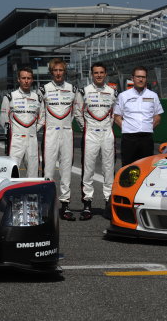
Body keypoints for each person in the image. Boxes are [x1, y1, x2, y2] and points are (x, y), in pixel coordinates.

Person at [75, 63, 117, 220]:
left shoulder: (112, 92)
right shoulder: (84, 91)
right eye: (96, 73)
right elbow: (77, 112)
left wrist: (108, 126)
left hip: (107, 133)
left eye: (101, 72)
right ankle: (87, 204)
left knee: (108, 168)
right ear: (91, 74)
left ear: (105, 74)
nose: (99, 75)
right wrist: (84, 128)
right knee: (88, 169)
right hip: (90, 134)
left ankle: (108, 202)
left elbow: (115, 112)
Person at [40, 58, 80, 221]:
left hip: (67, 132)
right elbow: (40, 114)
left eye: (61, 70)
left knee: (65, 169)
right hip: (50, 133)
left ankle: (65, 205)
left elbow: (76, 112)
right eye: (55, 70)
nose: (58, 73)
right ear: (51, 72)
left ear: (65, 72)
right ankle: (47, 205)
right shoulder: (43, 90)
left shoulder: (73, 89)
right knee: (48, 170)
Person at [113, 66, 164, 166]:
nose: (141, 79)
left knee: (146, 167)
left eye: (143, 77)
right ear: (132, 78)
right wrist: (128, 128)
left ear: (146, 78)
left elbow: (157, 117)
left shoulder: (153, 95)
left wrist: (148, 127)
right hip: (129, 138)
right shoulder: (123, 95)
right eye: (138, 77)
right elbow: (117, 117)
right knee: (128, 167)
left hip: (146, 138)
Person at [0, 67, 44, 178]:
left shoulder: (38, 98)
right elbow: (3, 120)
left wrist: (33, 130)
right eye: (23, 78)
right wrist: (12, 133)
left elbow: (42, 118)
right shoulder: (9, 97)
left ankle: (32, 195)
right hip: (16, 139)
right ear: (18, 79)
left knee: (33, 172)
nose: (26, 81)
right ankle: (13, 195)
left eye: (29, 78)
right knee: (12, 171)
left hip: (32, 138)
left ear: (32, 80)